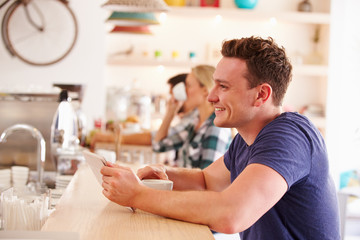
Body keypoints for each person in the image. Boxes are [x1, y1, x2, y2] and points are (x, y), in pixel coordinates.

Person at [100, 36, 340, 239]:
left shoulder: (289, 137)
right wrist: (162, 172)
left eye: (223, 87)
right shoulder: (247, 139)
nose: (210, 97)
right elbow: (205, 181)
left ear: (261, 94)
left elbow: (231, 215)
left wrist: (138, 195)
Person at [153, 65, 233, 169]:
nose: (184, 91)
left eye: (188, 85)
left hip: (191, 185)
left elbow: (209, 181)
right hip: (185, 184)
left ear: (205, 90)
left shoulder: (215, 128)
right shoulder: (195, 121)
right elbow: (159, 145)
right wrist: (170, 113)